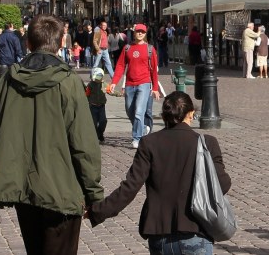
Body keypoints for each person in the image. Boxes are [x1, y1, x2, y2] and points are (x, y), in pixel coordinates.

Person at [0, 14, 103, 255]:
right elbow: (83, 142)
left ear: (28, 43)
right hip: (62, 189)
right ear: (61, 43)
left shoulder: (8, 79)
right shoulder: (68, 81)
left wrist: (13, 164)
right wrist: (93, 193)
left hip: (25, 190)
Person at [89, 92, 231, 253]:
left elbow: (129, 188)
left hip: (159, 233)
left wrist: (98, 210)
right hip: (195, 231)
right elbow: (223, 185)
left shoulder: (149, 143)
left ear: (165, 115)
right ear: (191, 113)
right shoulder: (207, 143)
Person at [107, 23, 164, 148]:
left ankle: (136, 138)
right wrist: (114, 82)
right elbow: (121, 66)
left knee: (139, 112)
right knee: (129, 110)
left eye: (142, 32)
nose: (140, 33)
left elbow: (154, 70)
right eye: (138, 31)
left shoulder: (150, 49)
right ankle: (143, 128)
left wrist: (155, 88)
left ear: (145, 34)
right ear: (134, 33)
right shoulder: (127, 48)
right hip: (129, 84)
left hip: (144, 83)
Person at [86, 68, 108, 142]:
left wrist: (119, 94)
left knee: (103, 121)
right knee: (94, 123)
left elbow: (110, 90)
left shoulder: (104, 84)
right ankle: (95, 136)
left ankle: (100, 134)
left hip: (101, 106)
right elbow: (86, 94)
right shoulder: (90, 85)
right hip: (93, 106)